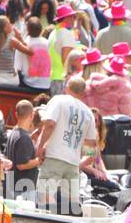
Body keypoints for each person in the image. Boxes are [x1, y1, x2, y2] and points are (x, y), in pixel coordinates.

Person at [35, 75, 96, 215]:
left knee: (45, 196)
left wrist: (40, 146)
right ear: (83, 93)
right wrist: (87, 160)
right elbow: (91, 144)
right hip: (73, 162)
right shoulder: (88, 113)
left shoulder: (59, 100)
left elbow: (50, 124)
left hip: (54, 156)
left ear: (66, 88)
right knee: (70, 204)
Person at [95, 2, 131, 92]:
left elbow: (97, 58)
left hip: (105, 77)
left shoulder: (101, 34)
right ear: (125, 17)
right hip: (127, 78)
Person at [2, 99, 39, 201]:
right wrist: (39, 160)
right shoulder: (24, 137)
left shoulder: (13, 134)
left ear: (16, 114)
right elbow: (21, 165)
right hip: (23, 190)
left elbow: (5, 156)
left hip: (11, 186)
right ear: (32, 115)